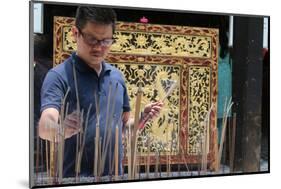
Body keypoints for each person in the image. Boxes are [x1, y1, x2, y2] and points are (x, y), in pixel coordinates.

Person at [38, 6, 163, 177]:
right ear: (75, 33)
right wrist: (60, 129)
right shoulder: (59, 76)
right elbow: (45, 125)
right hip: (73, 178)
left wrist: (143, 118)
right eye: (91, 39)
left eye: (105, 41)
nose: (98, 47)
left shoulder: (117, 77)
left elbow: (124, 129)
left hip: (114, 176)